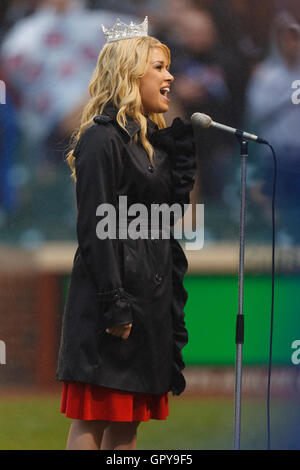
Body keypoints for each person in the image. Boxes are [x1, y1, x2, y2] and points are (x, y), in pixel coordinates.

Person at [56, 17, 197, 450]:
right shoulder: (102, 138)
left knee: (128, 422)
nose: (170, 76)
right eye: (159, 67)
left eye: (168, 67)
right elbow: (95, 229)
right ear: (129, 72)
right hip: (116, 299)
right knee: (96, 416)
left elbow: (170, 218)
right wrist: (115, 303)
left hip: (148, 296)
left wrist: (177, 155)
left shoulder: (149, 141)